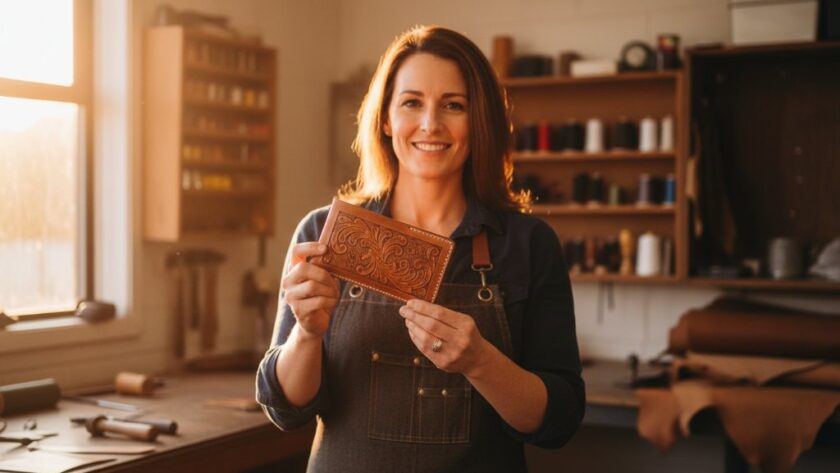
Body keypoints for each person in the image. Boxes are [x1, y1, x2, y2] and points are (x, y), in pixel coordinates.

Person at [256, 25, 584, 472]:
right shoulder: (325, 232)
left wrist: (481, 362)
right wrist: (307, 334)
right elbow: (287, 411)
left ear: (479, 120)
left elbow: (558, 421)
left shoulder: (528, 245)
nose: (431, 124)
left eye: (454, 105)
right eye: (412, 102)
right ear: (386, 118)